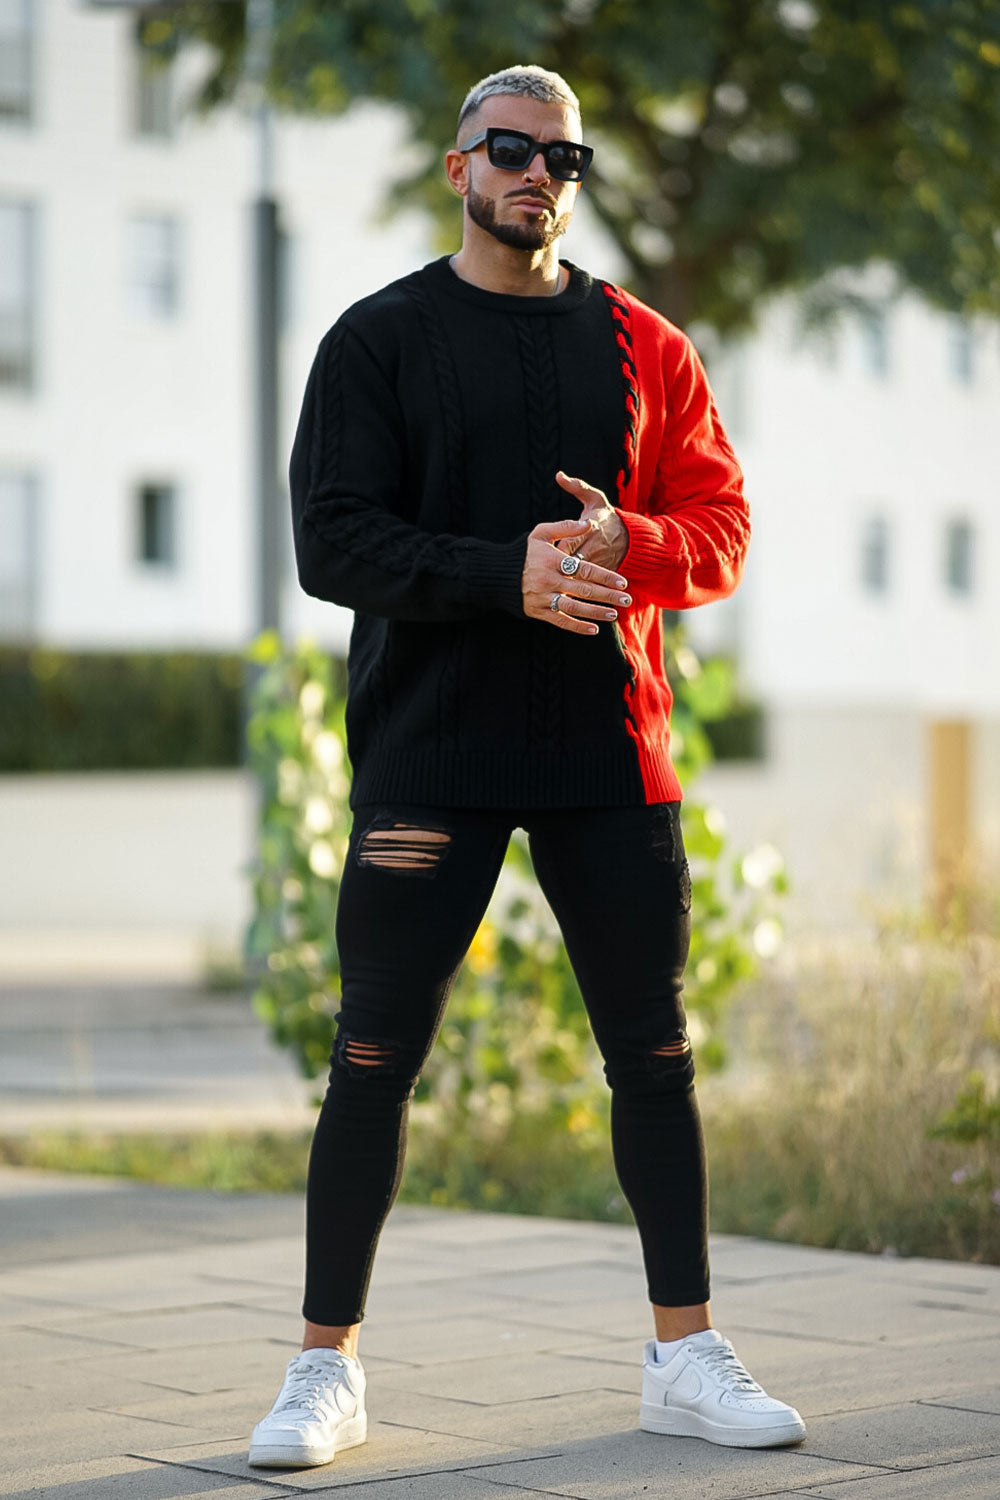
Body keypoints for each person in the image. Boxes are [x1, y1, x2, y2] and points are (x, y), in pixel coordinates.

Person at [249, 63, 805, 1471]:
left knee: (654, 1056)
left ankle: (684, 1358)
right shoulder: (377, 339)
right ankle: (324, 1371)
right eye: (511, 150)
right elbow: (332, 542)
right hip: (430, 754)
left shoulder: (646, 345)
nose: (538, 175)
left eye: (564, 157)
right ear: (460, 168)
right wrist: (509, 575)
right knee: (372, 1058)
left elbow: (724, 528)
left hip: (608, 759)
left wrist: (633, 544)